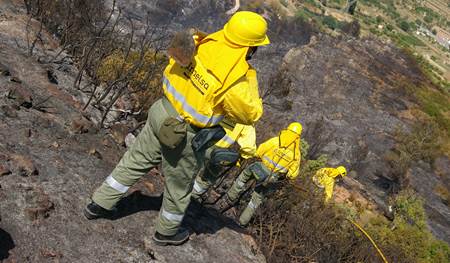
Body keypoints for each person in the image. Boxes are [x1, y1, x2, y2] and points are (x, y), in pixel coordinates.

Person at [84, 11, 269, 246]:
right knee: (179, 186)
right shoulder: (237, 77)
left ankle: (99, 204)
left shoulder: (199, 42)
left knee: (134, 161)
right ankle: (167, 231)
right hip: (185, 134)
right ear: (251, 47)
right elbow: (251, 113)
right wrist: (249, 77)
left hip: (160, 111)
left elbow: (173, 60)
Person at [219, 122, 302, 226]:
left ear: (287, 129)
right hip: (272, 178)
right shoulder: (296, 154)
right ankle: (242, 222)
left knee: (244, 176)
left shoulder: (275, 141)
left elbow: (259, 151)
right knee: (256, 199)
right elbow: (292, 175)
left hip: (261, 168)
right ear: (299, 136)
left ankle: (230, 197)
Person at [191, 121, 256, 201]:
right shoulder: (247, 119)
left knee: (188, 168)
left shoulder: (224, 107)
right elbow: (249, 148)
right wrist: (240, 157)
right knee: (206, 179)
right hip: (219, 155)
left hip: (201, 141)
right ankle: (192, 197)